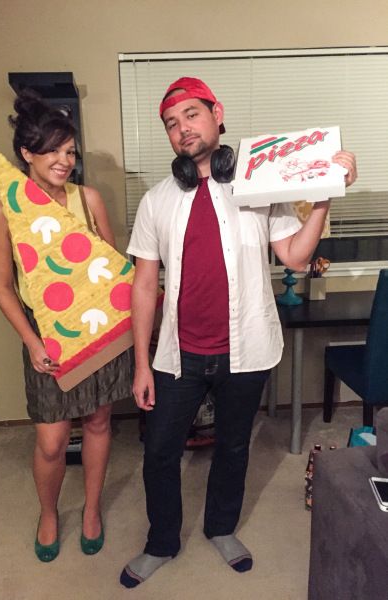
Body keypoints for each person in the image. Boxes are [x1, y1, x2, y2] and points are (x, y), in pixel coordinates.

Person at [120, 77, 357, 587]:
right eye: (171, 122)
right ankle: (162, 540)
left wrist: (323, 199)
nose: (182, 128)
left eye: (191, 114)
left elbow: (294, 255)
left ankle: (221, 528)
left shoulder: (258, 187)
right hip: (176, 356)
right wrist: (141, 362)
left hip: (246, 349)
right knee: (160, 449)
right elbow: (143, 287)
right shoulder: (156, 201)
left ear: (216, 113)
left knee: (233, 446)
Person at [0, 90, 132, 562]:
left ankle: (91, 510)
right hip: (45, 336)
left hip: (100, 332)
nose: (64, 160)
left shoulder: (88, 200)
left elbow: (114, 270)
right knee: (51, 440)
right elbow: (3, 286)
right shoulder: (4, 212)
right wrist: (30, 341)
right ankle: (49, 513)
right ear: (26, 154)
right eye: (52, 150)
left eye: (70, 151)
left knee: (99, 420)